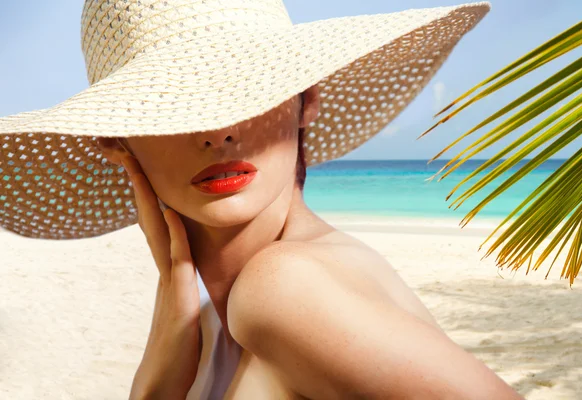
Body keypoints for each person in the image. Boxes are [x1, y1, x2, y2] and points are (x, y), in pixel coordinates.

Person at [0, 0, 523, 398]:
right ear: (115, 138)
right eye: (173, 102)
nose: (218, 131)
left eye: (246, 90)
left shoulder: (282, 287)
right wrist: (165, 355)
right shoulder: (207, 306)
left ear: (306, 100)